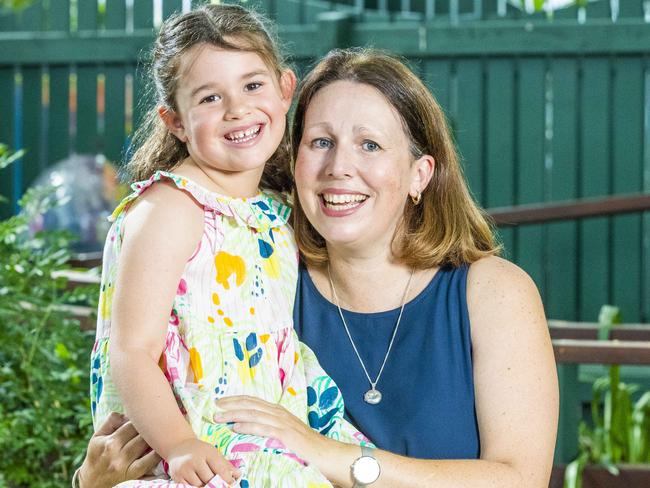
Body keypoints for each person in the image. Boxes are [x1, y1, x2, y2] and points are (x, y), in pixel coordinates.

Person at [79, 47, 559, 488]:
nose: (339, 167)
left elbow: (520, 480)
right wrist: (92, 485)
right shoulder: (256, 279)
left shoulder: (491, 294)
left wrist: (327, 453)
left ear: (420, 174)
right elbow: (156, 400)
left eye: (369, 145)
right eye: (320, 142)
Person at [89, 6, 369, 488]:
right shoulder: (172, 209)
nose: (237, 109)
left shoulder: (273, 208)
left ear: (285, 90)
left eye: (252, 86)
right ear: (175, 121)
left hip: (264, 421)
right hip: (187, 432)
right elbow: (131, 350)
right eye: (211, 97)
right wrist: (179, 445)